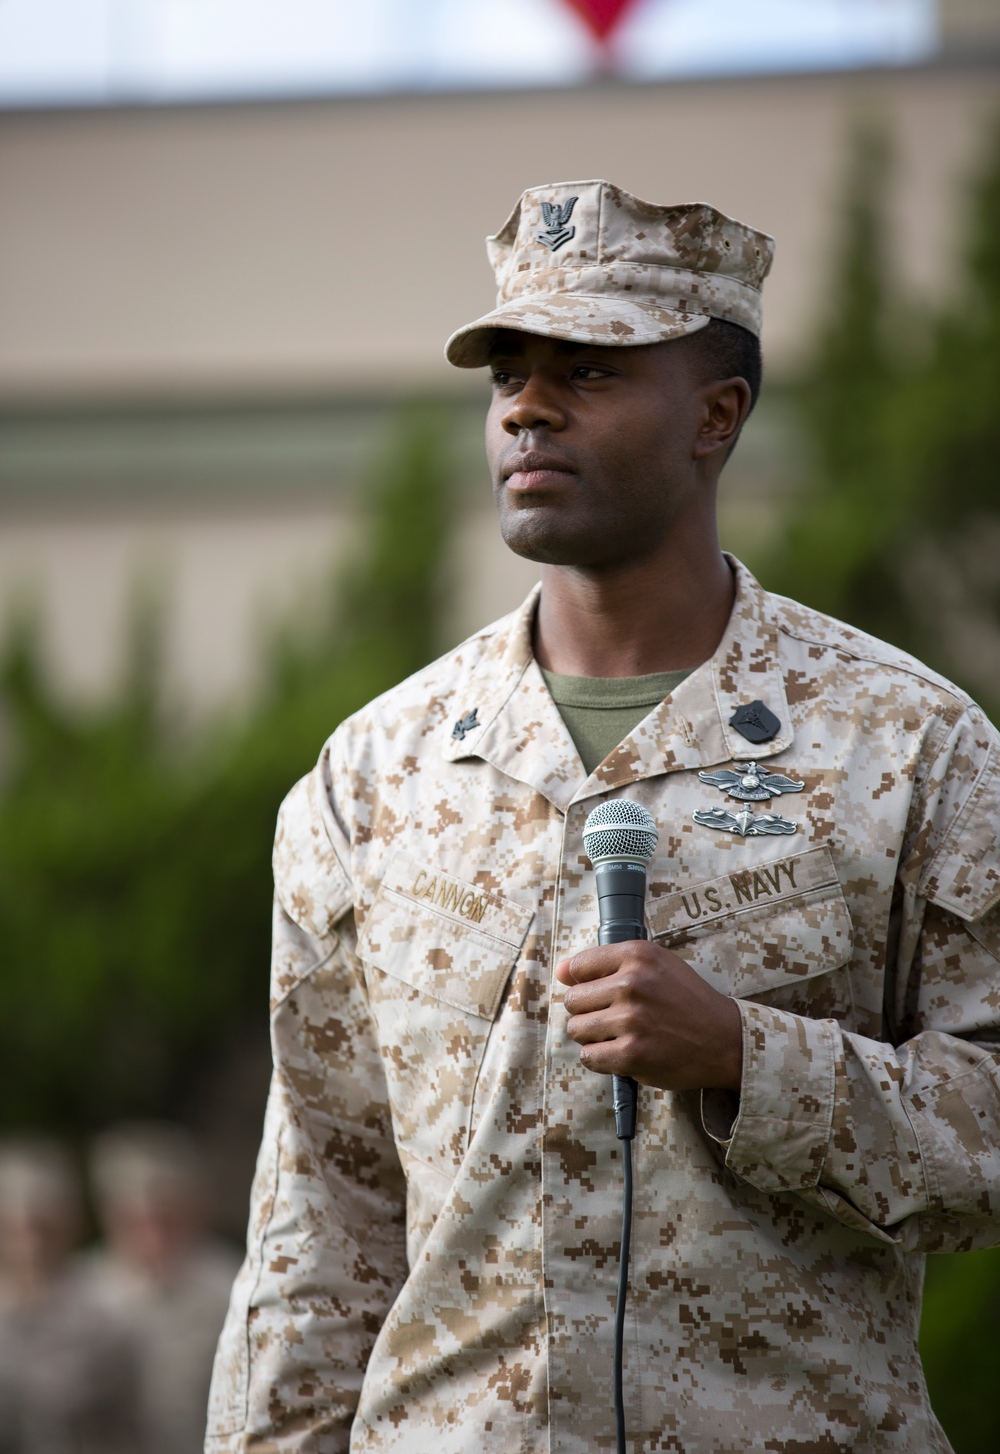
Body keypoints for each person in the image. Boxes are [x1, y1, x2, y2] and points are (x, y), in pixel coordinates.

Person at [206, 180, 1000, 1453]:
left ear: (717, 415)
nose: (528, 405)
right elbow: (318, 1222)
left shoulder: (909, 748)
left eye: (589, 368)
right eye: (507, 372)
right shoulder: (376, 775)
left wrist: (752, 1057)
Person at [85, 1123, 240, 1454]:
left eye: (165, 1217)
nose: (151, 1236)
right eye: (134, 1220)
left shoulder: (234, 1287)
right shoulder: (82, 1291)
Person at [0, 1137, 141, 1454]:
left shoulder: (106, 1313)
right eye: (13, 1228)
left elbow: (127, 1426)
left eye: (40, 1227)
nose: (29, 1245)